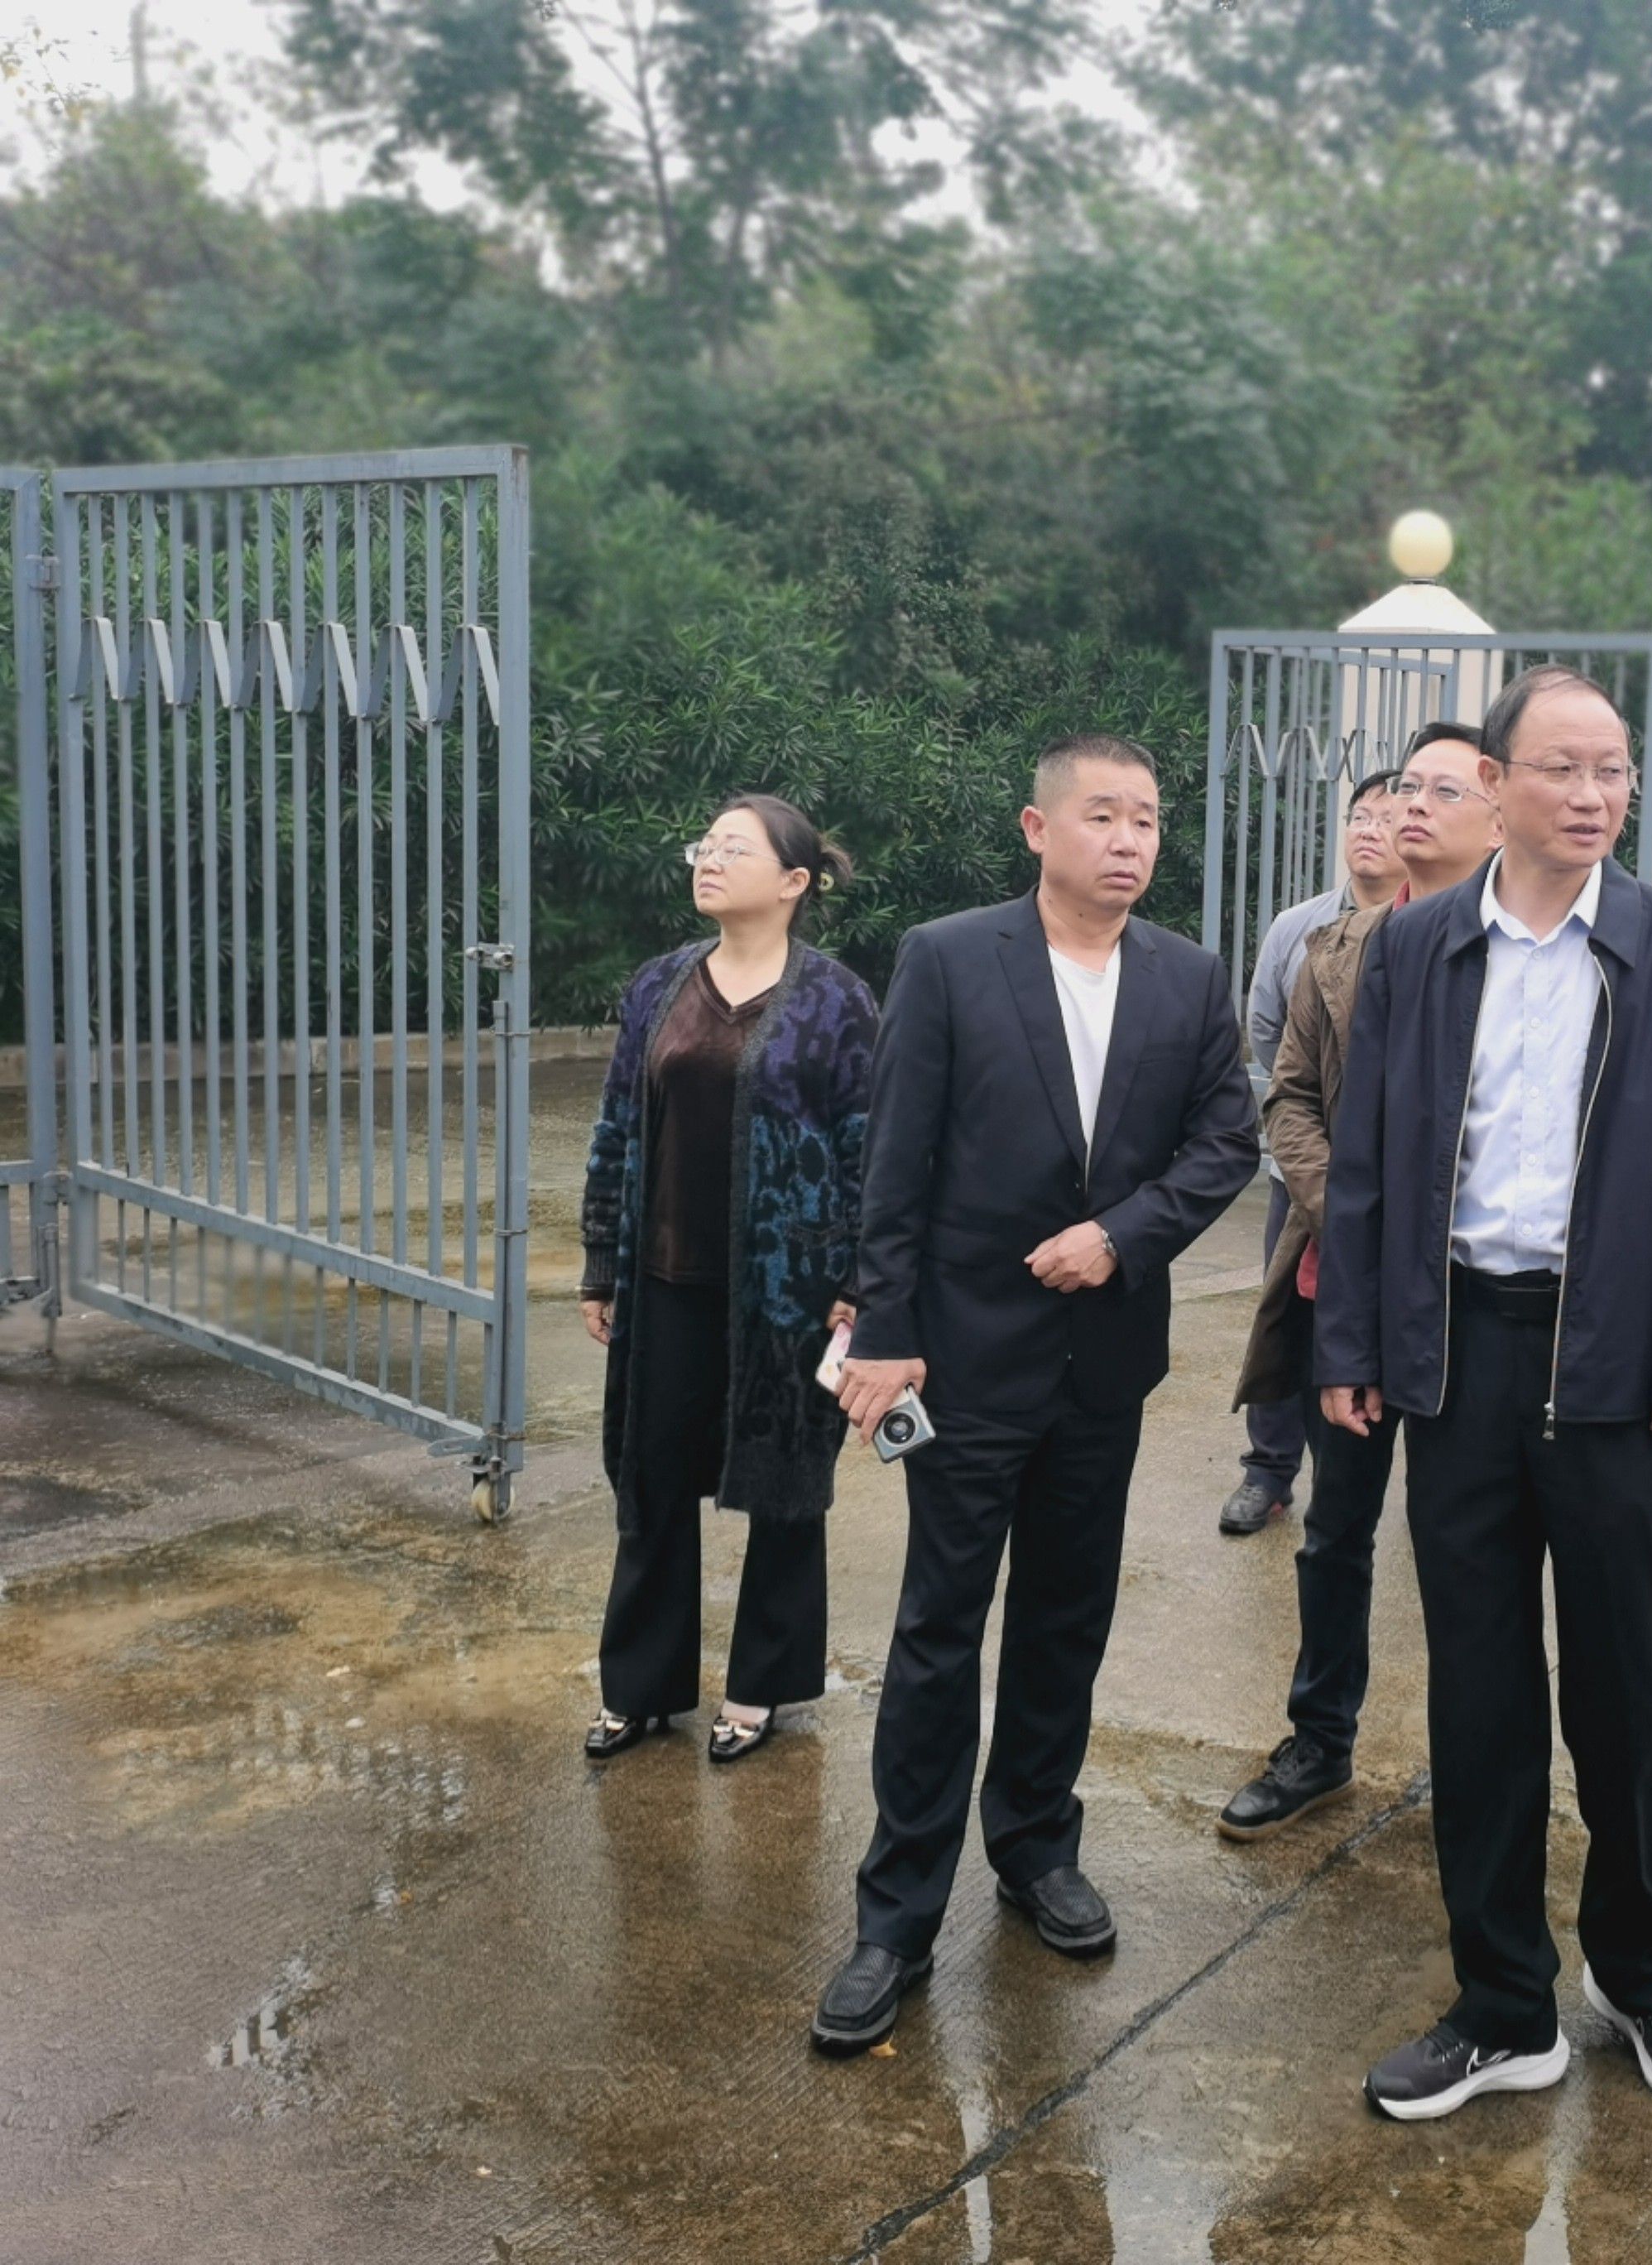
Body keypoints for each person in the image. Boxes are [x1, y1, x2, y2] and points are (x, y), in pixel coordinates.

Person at [1317, 666, 1652, 2121]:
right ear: (1496, 784)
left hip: (1617, 1375)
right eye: (1561, 767)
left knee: (1627, 1693)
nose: (1591, 794)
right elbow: (1369, 1160)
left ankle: (1641, 1975)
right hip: (1458, 1356)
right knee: (1480, 1691)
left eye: (1612, 769)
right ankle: (1504, 2004)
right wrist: (1354, 1347)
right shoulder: (1420, 943)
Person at [810, 735, 1260, 2056]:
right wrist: (887, 1331)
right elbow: (896, 1159)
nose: (1129, 840)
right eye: (1103, 815)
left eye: (1147, 820)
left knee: (1067, 1616)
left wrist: (1124, 1234)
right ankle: (896, 1918)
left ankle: (1036, 1848)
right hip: (967, 1356)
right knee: (940, 1631)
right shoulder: (952, 958)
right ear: (1037, 828)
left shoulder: (1186, 975)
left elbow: (1225, 1141)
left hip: (1102, 1363)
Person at [1217, 723, 1503, 1839]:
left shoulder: (1525, 958)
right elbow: (1287, 1094)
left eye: (1442, 790)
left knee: (1470, 1543)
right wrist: (1353, 1210)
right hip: (1347, 1284)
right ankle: (1320, 1738)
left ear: (1498, 813)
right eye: (1403, 788)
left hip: (1480, 1299)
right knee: (1337, 1529)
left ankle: (1479, 1764)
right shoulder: (1333, 948)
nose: (1409, 805)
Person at [577, 795, 875, 1766]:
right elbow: (618, 1124)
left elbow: (869, 1149)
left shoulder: (837, 1002)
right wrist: (601, 1261)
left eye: (732, 848)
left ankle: (760, 1688)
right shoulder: (659, 985)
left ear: (793, 882)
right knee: (651, 1481)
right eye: (704, 845)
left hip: (789, 1293)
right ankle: (640, 1688)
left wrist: (860, 1280)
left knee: (785, 1488)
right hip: (665, 1279)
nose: (708, 859)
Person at [1216, 767, 1414, 1537]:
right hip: (1302, 1172)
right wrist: (1320, 1132)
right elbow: (1269, 1033)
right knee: (1289, 1322)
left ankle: (1369, 1481)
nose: (1369, 829)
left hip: (1398, 1183)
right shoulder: (1298, 927)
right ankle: (1268, 1470)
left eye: (1386, 817)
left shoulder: (1435, 928)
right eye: (1359, 815)